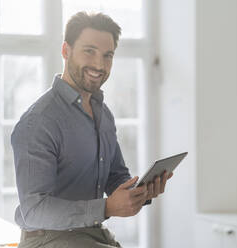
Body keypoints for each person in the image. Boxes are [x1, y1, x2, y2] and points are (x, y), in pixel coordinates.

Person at [11, 11, 172, 248]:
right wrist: (106, 207)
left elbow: (115, 177)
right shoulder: (39, 122)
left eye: (108, 55)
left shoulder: (103, 114)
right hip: (48, 239)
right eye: (89, 51)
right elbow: (34, 211)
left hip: (92, 233)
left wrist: (140, 192)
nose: (99, 64)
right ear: (66, 51)